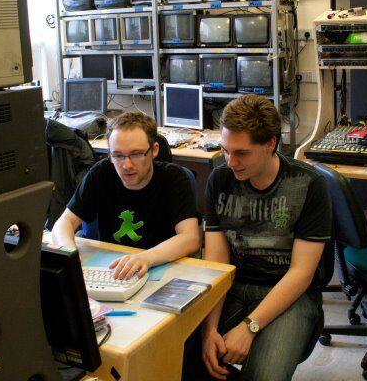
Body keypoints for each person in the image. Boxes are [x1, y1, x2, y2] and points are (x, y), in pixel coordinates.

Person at [193, 95, 332, 381]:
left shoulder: (308, 184)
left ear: (270, 143)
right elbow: (217, 264)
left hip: (289, 294)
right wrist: (209, 330)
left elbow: (301, 273)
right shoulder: (219, 180)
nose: (231, 161)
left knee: (264, 376)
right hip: (234, 286)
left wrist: (249, 327)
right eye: (225, 150)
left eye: (241, 153)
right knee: (180, 349)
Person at [51, 111, 201, 279]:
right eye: (118, 155)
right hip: (110, 270)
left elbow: (190, 238)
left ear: (154, 150)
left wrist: (146, 258)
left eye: (136, 154)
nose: (126, 165)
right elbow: (64, 223)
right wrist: (70, 254)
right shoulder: (101, 173)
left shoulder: (174, 178)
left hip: (159, 266)